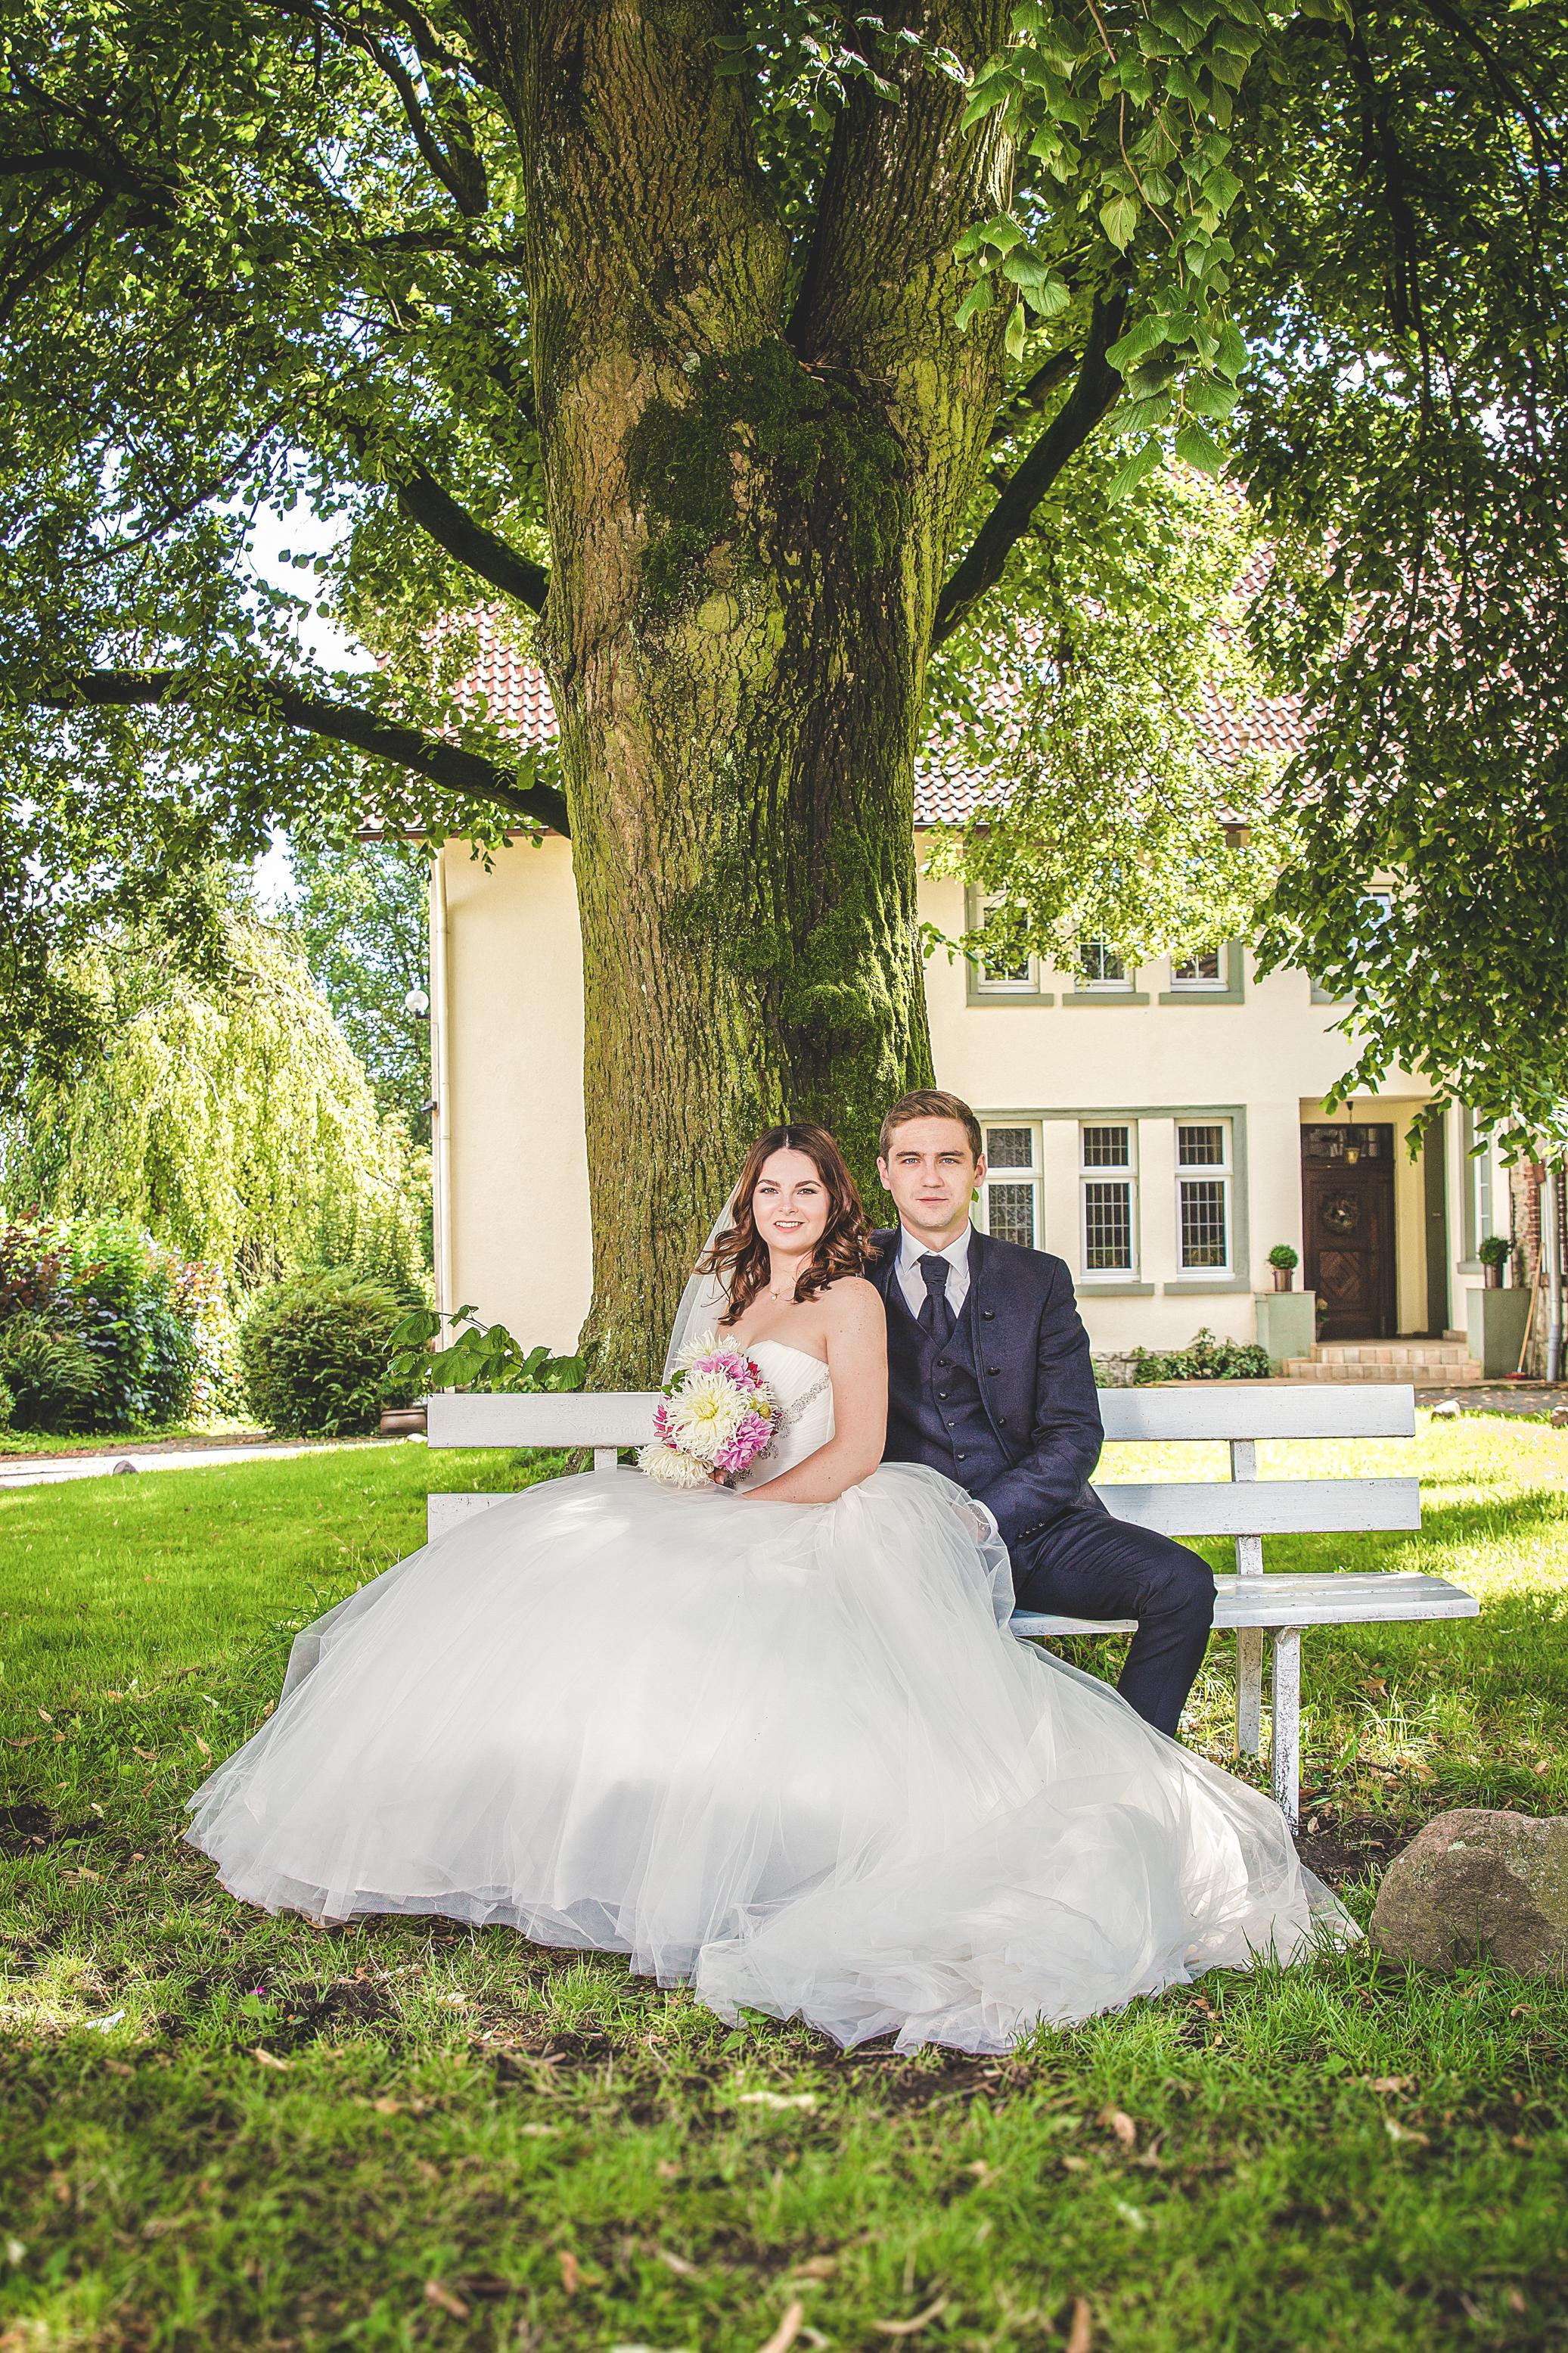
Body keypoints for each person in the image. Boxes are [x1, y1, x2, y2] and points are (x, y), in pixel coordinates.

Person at [188, 1124, 1349, 2056]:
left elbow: (893, 1442)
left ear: (864, 1195)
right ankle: (546, 1837)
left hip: (908, 1514)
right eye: (770, 1188)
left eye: (808, 1187)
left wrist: (772, 1504)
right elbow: (700, 1413)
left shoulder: (937, 1287)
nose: (787, 1203)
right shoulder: (734, 1293)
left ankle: (1118, 1804)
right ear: (766, 1200)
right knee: (571, 1592)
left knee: (1156, 1591)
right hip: (739, 1506)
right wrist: (697, 1462)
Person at [869, 1089, 1216, 1737]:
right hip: (907, 1545)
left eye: (949, 1158)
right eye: (910, 1159)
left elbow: (1074, 1431)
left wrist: (986, 1516)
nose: (930, 1176)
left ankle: (1138, 1765)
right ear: (885, 1173)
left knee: (1183, 1584)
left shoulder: (1038, 1278)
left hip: (1034, 1533)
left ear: (978, 1170)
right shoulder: (848, 1275)